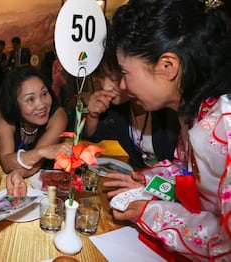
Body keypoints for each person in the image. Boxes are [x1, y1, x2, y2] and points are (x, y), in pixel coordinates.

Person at [104, 0, 231, 260]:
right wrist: (149, 182)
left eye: (125, 73)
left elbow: (226, 244)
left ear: (167, 66)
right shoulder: (193, 113)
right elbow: (186, 173)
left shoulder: (226, 125)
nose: (124, 86)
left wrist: (150, 213)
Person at [84, 31, 180, 169]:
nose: (105, 86)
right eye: (100, 79)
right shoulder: (118, 109)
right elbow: (94, 136)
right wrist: (93, 114)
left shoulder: (168, 107)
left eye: (114, 79)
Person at [0, 66, 70, 195]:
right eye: (30, 99)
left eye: (44, 94)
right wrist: (41, 152)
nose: (41, 105)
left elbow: (37, 163)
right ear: (15, 105)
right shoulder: (5, 118)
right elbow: (6, 163)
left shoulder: (58, 117)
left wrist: (18, 172)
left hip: (45, 182)